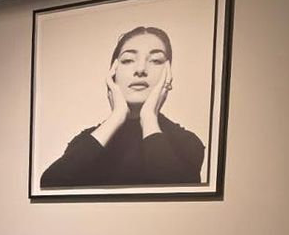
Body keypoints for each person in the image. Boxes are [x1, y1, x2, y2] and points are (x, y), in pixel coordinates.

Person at [40, 26, 205, 188]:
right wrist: (117, 116)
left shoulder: (186, 142)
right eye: (128, 60)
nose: (140, 69)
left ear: (168, 74)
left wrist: (149, 117)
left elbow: (178, 195)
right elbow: (50, 185)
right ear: (113, 74)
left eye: (156, 60)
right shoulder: (87, 140)